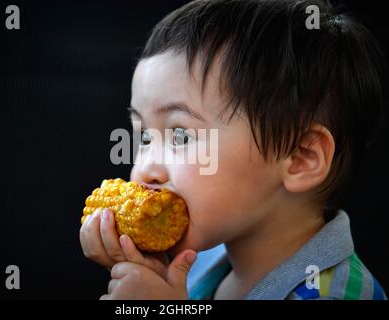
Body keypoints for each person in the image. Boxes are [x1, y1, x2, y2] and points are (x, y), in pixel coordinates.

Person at [80, 0, 387, 300]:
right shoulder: (195, 262)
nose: (145, 169)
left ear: (300, 158)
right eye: (144, 137)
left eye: (181, 136)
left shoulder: (334, 294)